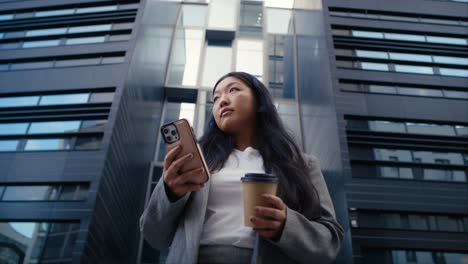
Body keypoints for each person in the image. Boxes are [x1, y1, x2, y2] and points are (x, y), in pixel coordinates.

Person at [139, 72, 344, 263]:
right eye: (216, 99)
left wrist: (285, 226)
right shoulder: (197, 162)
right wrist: (170, 193)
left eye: (233, 90)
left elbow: (329, 243)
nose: (222, 101)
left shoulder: (303, 165)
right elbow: (154, 236)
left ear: (259, 100)